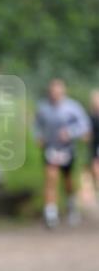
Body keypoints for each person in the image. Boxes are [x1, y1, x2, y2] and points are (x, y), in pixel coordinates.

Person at [33, 78, 90, 228]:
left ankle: (71, 207)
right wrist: (38, 136)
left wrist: (70, 133)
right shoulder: (43, 108)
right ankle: (50, 214)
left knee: (67, 181)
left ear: (63, 91)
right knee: (51, 178)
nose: (55, 94)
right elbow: (37, 125)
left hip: (67, 149)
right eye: (52, 92)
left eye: (57, 91)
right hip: (50, 148)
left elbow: (84, 125)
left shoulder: (73, 107)